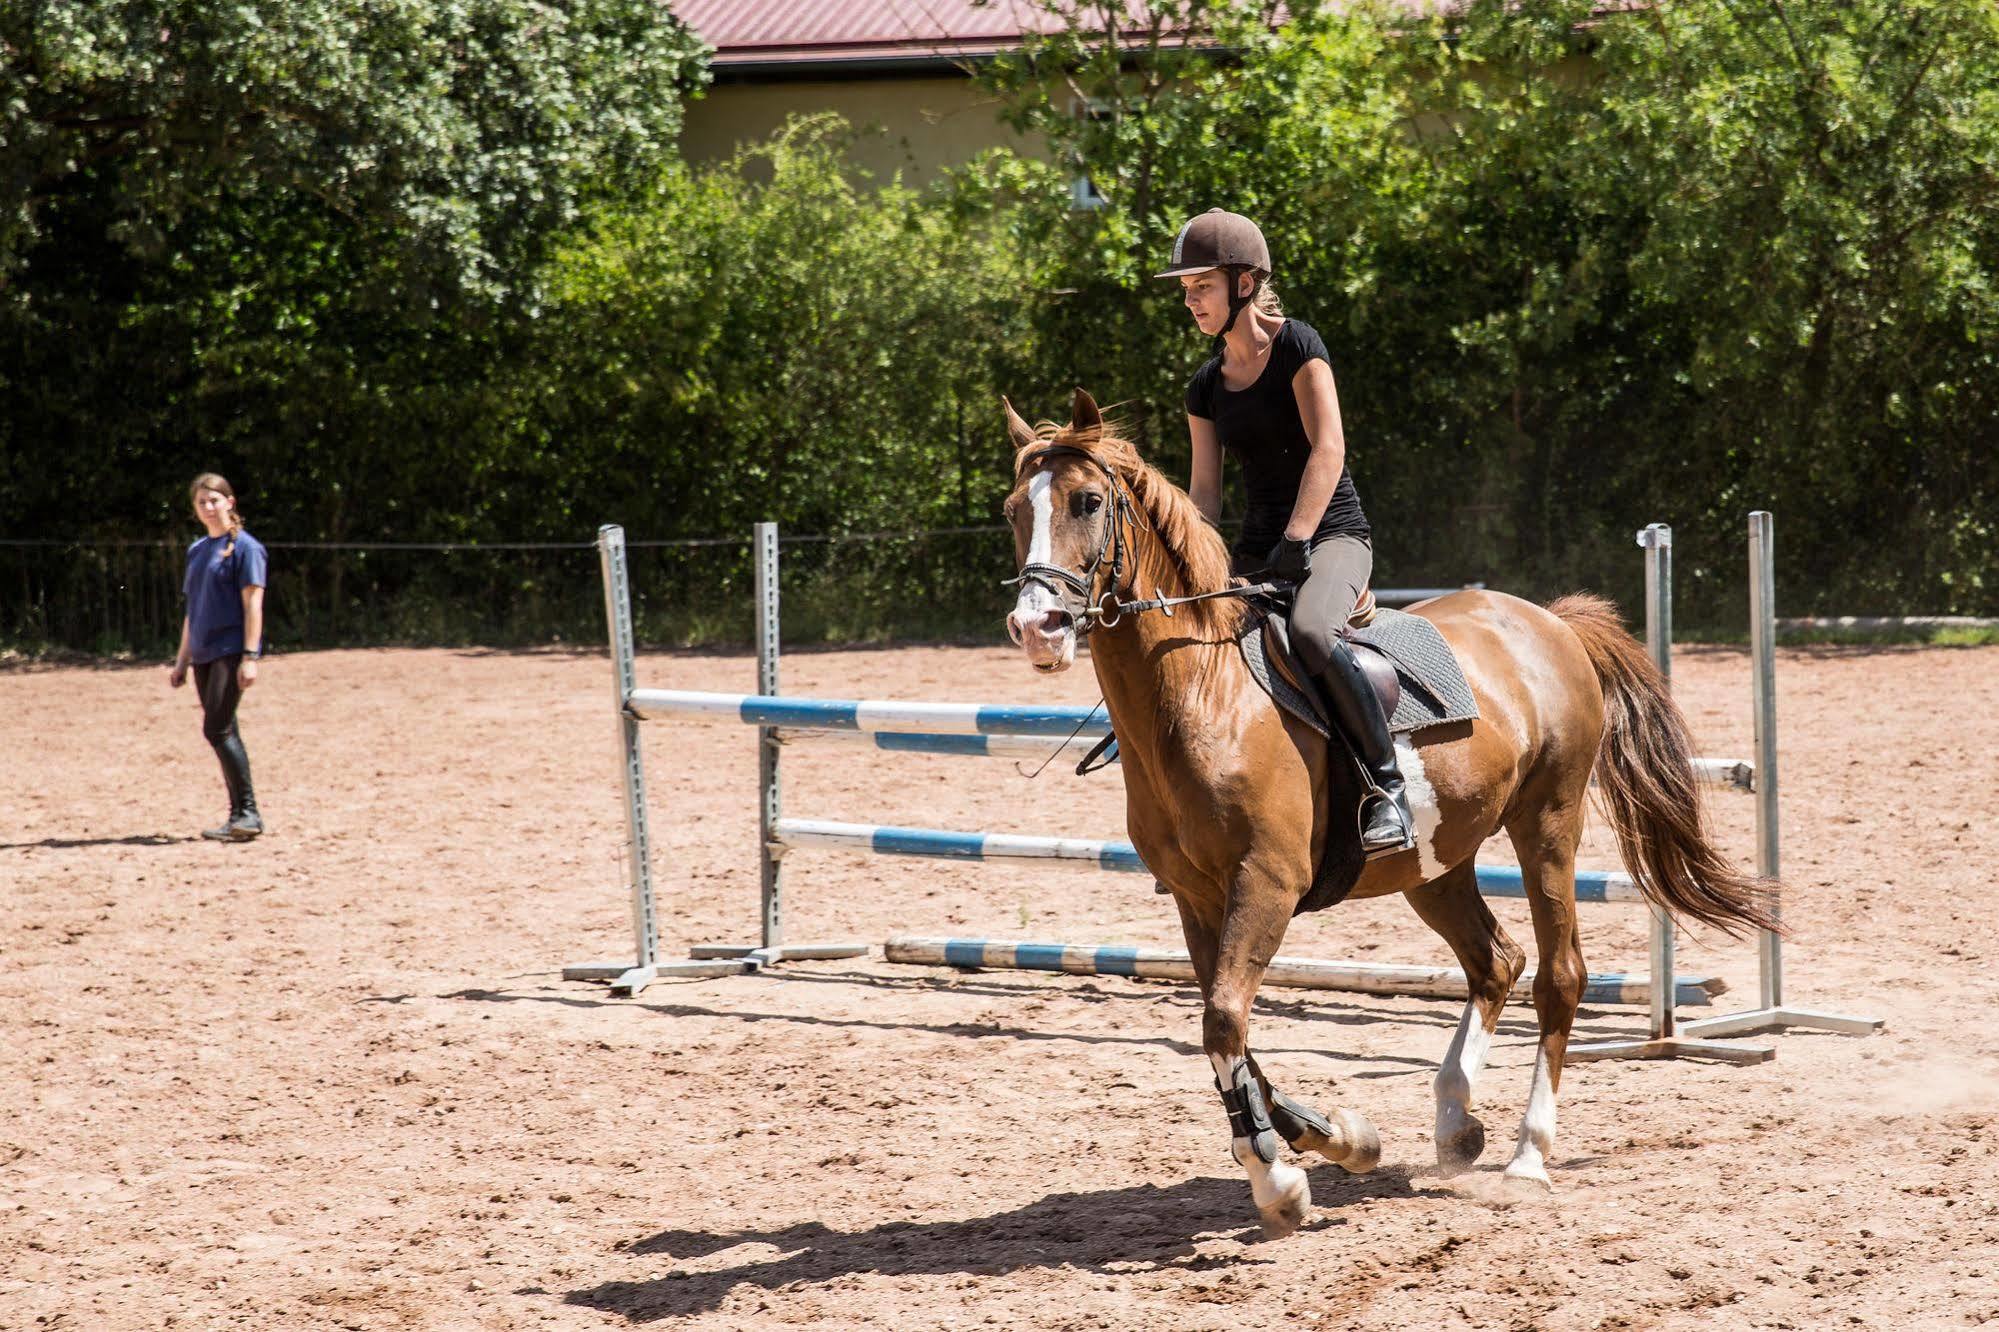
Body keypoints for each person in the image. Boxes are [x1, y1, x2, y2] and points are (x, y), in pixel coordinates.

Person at [1157, 207, 1414, 858]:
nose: (1190, 301)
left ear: (1243, 284)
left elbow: (1328, 449)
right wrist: (1185, 563)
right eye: (1185, 291)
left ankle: (1387, 790)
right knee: (1189, 640)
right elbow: (1206, 493)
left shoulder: (1298, 345)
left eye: (1201, 287)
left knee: (1307, 632)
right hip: (1257, 551)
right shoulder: (1204, 386)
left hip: (1330, 535)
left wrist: (1298, 541)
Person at [168, 473, 268, 841]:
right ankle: (239, 816)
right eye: (201, 503)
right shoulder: (197, 551)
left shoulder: (246, 548)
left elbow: (253, 603)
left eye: (214, 500)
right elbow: (193, 611)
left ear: (230, 501)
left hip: (230, 650)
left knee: (216, 728)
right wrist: (182, 660)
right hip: (204, 654)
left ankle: (249, 813)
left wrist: (250, 655)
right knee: (226, 729)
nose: (208, 508)